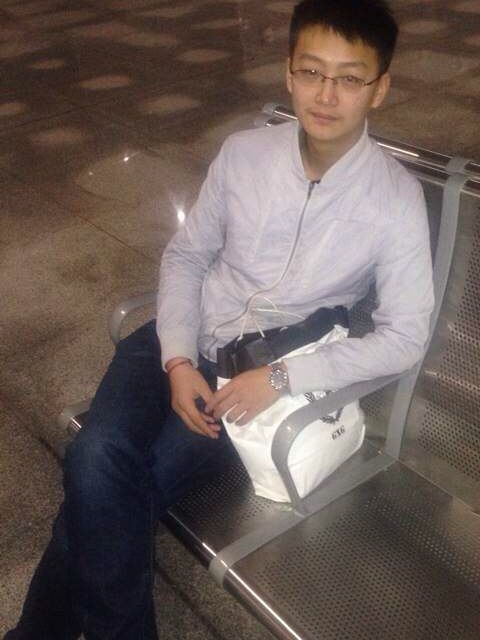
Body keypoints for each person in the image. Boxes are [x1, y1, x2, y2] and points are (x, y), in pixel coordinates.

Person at [6, 0, 433, 638]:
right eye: (312, 71)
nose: (326, 94)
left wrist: (282, 379)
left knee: (117, 484)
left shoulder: (395, 200)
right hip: (176, 339)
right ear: (288, 73)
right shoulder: (244, 154)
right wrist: (177, 358)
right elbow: (187, 255)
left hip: (251, 383)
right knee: (97, 455)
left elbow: (405, 336)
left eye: (350, 78)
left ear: (380, 88)